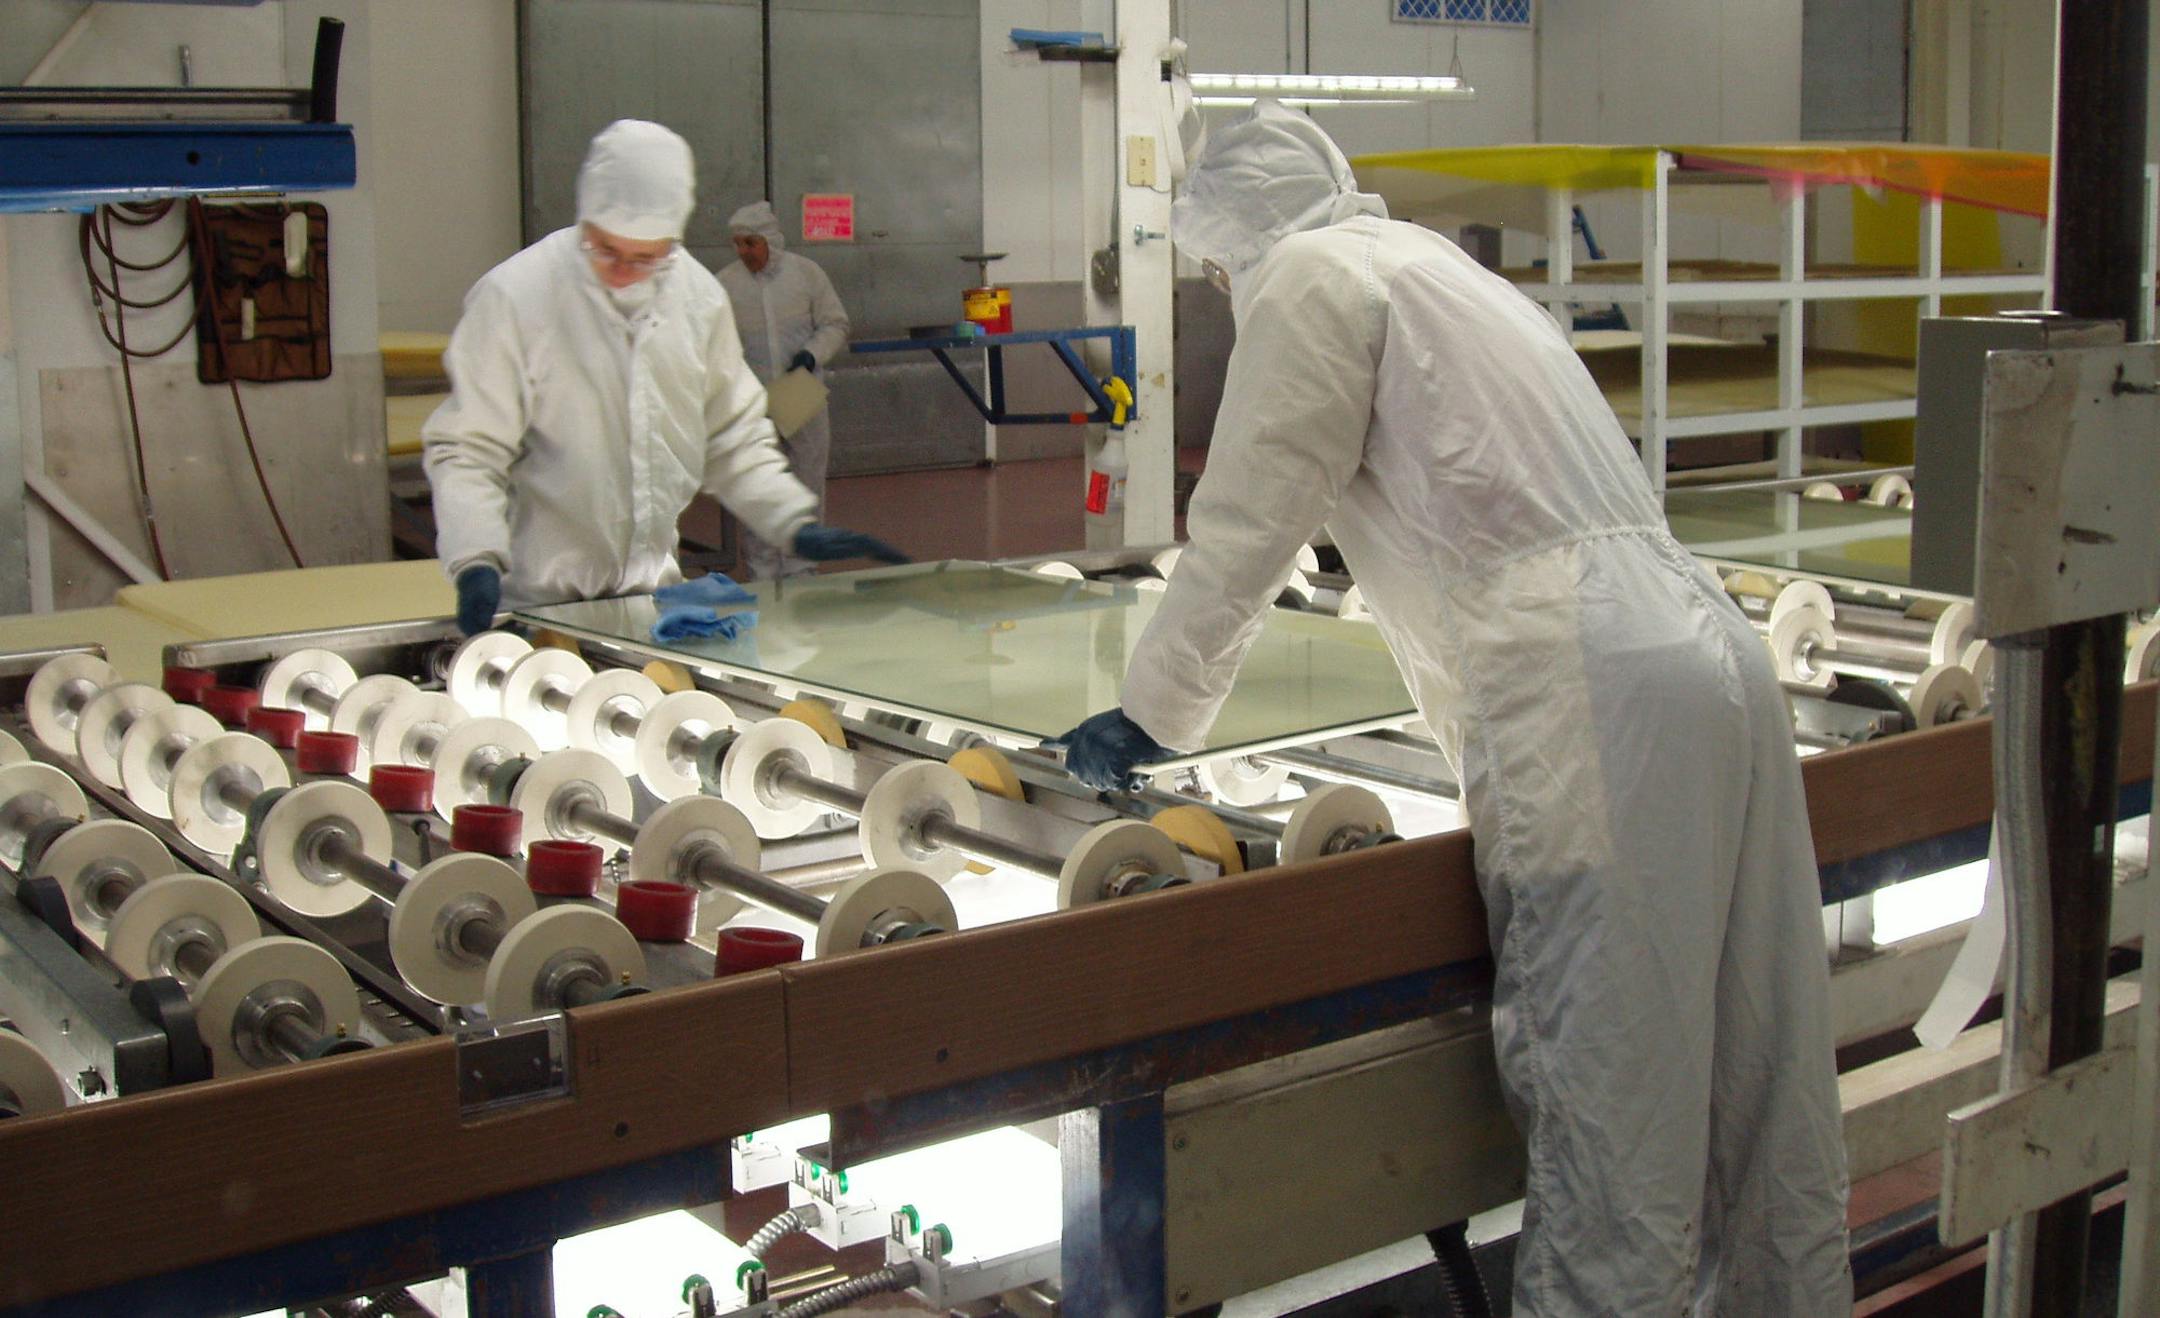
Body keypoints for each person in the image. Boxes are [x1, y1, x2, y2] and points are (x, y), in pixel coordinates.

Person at [1049, 100, 1852, 1316]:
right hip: (1712, 660)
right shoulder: (1437, 269)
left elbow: (1250, 515)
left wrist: (1158, 711)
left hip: (1593, 706)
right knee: (1765, 1083)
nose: (1223, 288)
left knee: (1612, 1126)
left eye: (1215, 269)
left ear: (1235, 241)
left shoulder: (1310, 280)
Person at [424, 120, 901, 635]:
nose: (624, 271)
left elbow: (732, 435)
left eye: (645, 257)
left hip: (647, 599)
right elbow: (469, 450)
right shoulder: (517, 298)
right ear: (585, 222)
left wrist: (790, 521)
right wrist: (475, 559)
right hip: (537, 598)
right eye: (606, 251)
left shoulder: (695, 298)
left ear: (671, 242)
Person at [719, 200, 851, 579]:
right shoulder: (725, 285)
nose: (744, 253)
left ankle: (802, 565)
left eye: (751, 244)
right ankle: (763, 569)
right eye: (739, 245)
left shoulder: (806, 275)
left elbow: (836, 324)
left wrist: (812, 355)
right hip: (751, 401)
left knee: (806, 482)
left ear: (771, 242)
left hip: (800, 396)